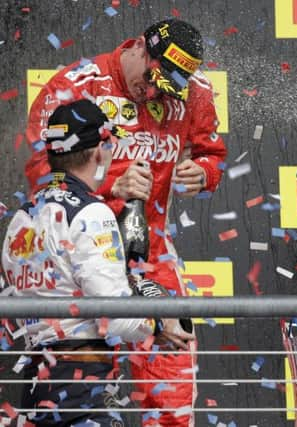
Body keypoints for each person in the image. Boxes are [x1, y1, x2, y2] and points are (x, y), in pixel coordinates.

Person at [24, 19, 227, 426]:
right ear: (138, 48)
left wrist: (204, 171)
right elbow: (38, 174)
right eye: (150, 80)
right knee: (83, 385)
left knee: (173, 376)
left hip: (149, 255)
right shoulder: (78, 82)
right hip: (78, 255)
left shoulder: (197, 92)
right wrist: (110, 188)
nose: (152, 94)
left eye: (166, 90)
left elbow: (212, 152)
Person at [2, 99, 195, 427]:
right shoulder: (93, 212)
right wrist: (160, 322)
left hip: (36, 387)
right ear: (98, 153)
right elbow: (117, 321)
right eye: (109, 145)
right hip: (83, 391)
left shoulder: (22, 216)